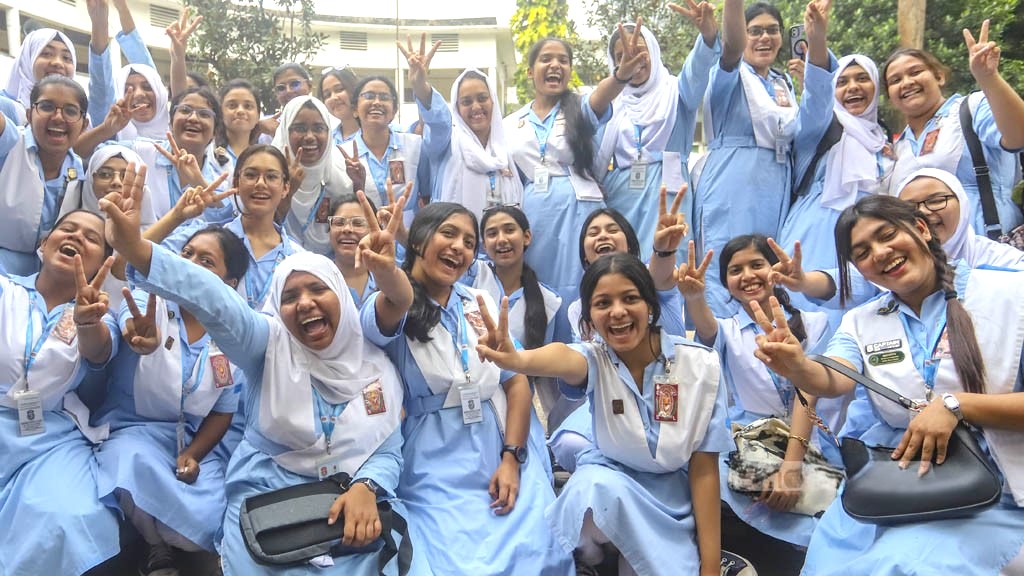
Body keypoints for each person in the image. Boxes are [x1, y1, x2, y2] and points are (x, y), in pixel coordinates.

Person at [100, 164, 411, 575]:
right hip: (266, 503)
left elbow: (387, 447)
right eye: (290, 296)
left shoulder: (375, 365)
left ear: (341, 295)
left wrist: (366, 487)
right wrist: (138, 250)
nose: (304, 303)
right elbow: (215, 300)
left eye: (318, 289)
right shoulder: (267, 346)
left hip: (354, 509)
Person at [753, 194, 1024, 575]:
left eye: (887, 235)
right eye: (862, 252)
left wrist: (957, 405)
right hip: (897, 488)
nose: (880, 253)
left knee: (899, 565)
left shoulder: (1010, 294)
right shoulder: (862, 321)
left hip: (1001, 495)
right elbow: (833, 377)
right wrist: (797, 366)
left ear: (921, 229)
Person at [475, 253, 731, 576]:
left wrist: (711, 566)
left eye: (630, 298)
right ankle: (591, 561)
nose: (618, 311)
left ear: (650, 306)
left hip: (671, 503)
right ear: (590, 318)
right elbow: (563, 357)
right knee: (592, 488)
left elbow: (704, 470)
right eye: (603, 303)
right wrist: (519, 360)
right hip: (613, 482)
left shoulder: (701, 366)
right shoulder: (596, 359)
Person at [361, 202, 574, 574]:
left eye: (469, 242)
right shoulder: (390, 307)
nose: (459, 247)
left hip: (498, 445)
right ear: (418, 240)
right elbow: (396, 300)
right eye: (448, 233)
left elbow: (516, 382)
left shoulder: (479, 302)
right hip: (432, 463)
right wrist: (387, 272)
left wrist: (512, 458)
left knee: (540, 549)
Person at [93, 226, 247, 575]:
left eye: (206, 261)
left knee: (206, 520)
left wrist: (194, 454)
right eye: (187, 253)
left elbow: (222, 411)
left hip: (188, 440)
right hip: (133, 429)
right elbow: (132, 323)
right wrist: (140, 336)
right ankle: (155, 547)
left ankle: (170, 536)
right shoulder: (149, 299)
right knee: (131, 463)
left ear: (230, 282)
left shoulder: (232, 333)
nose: (190, 263)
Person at [678, 235, 839, 550]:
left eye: (756, 265)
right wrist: (694, 298)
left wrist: (791, 467)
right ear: (726, 282)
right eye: (735, 270)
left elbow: (807, 392)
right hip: (754, 443)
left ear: (776, 270)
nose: (747, 276)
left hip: (813, 440)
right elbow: (706, 327)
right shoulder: (727, 331)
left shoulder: (816, 324)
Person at [692, 0, 835, 316]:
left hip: (776, 184)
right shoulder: (728, 75)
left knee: (768, 272)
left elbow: (815, 113)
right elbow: (731, 48)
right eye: (754, 31)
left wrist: (817, 39)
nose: (764, 38)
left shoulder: (782, 83)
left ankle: (771, 340)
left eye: (772, 30)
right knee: (730, 268)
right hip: (733, 184)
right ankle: (725, 340)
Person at [0, 209, 121, 575]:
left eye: (92, 238)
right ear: (43, 243)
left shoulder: (102, 316)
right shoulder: (5, 288)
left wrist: (87, 321)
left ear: (101, 263)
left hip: (48, 436)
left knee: (71, 516)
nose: (77, 237)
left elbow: (99, 352)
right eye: (67, 229)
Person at [505, 36, 646, 344]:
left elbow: (601, 97)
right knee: (541, 283)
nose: (555, 65)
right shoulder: (510, 123)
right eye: (546, 59)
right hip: (535, 212)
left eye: (563, 60)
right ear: (530, 71)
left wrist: (620, 75)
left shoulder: (579, 108)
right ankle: (546, 353)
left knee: (584, 276)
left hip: (580, 208)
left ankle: (589, 348)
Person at [595, 5, 720, 261]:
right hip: (622, 197)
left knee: (670, 263)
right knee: (625, 267)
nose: (632, 59)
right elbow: (591, 151)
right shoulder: (611, 103)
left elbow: (697, 71)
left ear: (652, 51)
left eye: (639, 50)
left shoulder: (677, 91)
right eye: (621, 55)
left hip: (669, 194)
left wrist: (707, 37)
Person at [882, 20, 1024, 235]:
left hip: (990, 244)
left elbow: (1019, 135)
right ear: (890, 97)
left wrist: (989, 78)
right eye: (895, 80)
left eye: (915, 72)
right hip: (932, 253)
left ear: (939, 76)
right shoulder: (899, 147)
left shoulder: (972, 108)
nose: (907, 82)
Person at [779, 54, 889, 279]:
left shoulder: (881, 140)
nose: (853, 87)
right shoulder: (821, 126)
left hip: (870, 237)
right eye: (842, 82)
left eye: (862, 78)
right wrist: (816, 41)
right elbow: (816, 100)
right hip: (817, 236)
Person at [470, 205, 563, 429]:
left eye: (509, 230)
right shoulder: (472, 276)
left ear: (527, 237)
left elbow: (548, 368)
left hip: (517, 406)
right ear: (483, 244)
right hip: (472, 398)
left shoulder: (549, 302)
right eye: (492, 233)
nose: (501, 239)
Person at [88, 86, 235, 226]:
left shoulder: (220, 180)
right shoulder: (141, 151)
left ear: (216, 131)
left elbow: (227, 220)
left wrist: (199, 183)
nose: (193, 118)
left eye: (204, 114)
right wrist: (107, 129)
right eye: (185, 110)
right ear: (170, 122)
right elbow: (90, 155)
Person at [352, 35, 451, 224]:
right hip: (362, 237)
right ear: (355, 109)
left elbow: (427, 196)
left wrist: (420, 85)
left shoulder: (415, 146)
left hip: (407, 238)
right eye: (369, 96)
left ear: (394, 110)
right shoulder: (342, 154)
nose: (376, 102)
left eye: (384, 97)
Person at [0, 75, 87, 275]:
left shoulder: (82, 172)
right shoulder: (10, 143)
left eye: (70, 111)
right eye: (47, 107)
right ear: (29, 115)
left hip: (47, 280)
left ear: (84, 124)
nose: (58, 117)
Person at [432, 69, 523, 218]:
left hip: (501, 231)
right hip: (461, 231)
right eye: (466, 102)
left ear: (492, 101)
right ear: (457, 108)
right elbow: (434, 121)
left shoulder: (508, 146)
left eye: (482, 98)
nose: (476, 107)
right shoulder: (448, 143)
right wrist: (420, 84)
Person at [271, 95, 356, 255]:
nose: (310, 137)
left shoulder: (343, 177)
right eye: (300, 128)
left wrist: (358, 185)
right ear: (285, 132)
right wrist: (287, 192)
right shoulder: (269, 176)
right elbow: (261, 229)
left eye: (318, 128)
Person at [897, 168, 1024, 270]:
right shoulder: (892, 268)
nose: (923, 212)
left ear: (962, 203)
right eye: (909, 207)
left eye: (936, 201)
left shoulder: (1004, 262)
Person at [0, 28, 77, 125]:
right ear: (27, 59)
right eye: (47, 54)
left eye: (66, 57)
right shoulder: (4, 108)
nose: (58, 62)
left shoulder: (79, 118)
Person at [217, 79, 262, 164]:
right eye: (232, 105)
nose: (240, 111)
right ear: (220, 113)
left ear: (258, 116)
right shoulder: (207, 153)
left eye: (248, 106)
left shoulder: (264, 157)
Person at [320, 66, 361, 146]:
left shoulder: (377, 135)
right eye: (327, 95)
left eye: (339, 89)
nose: (333, 97)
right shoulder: (326, 140)